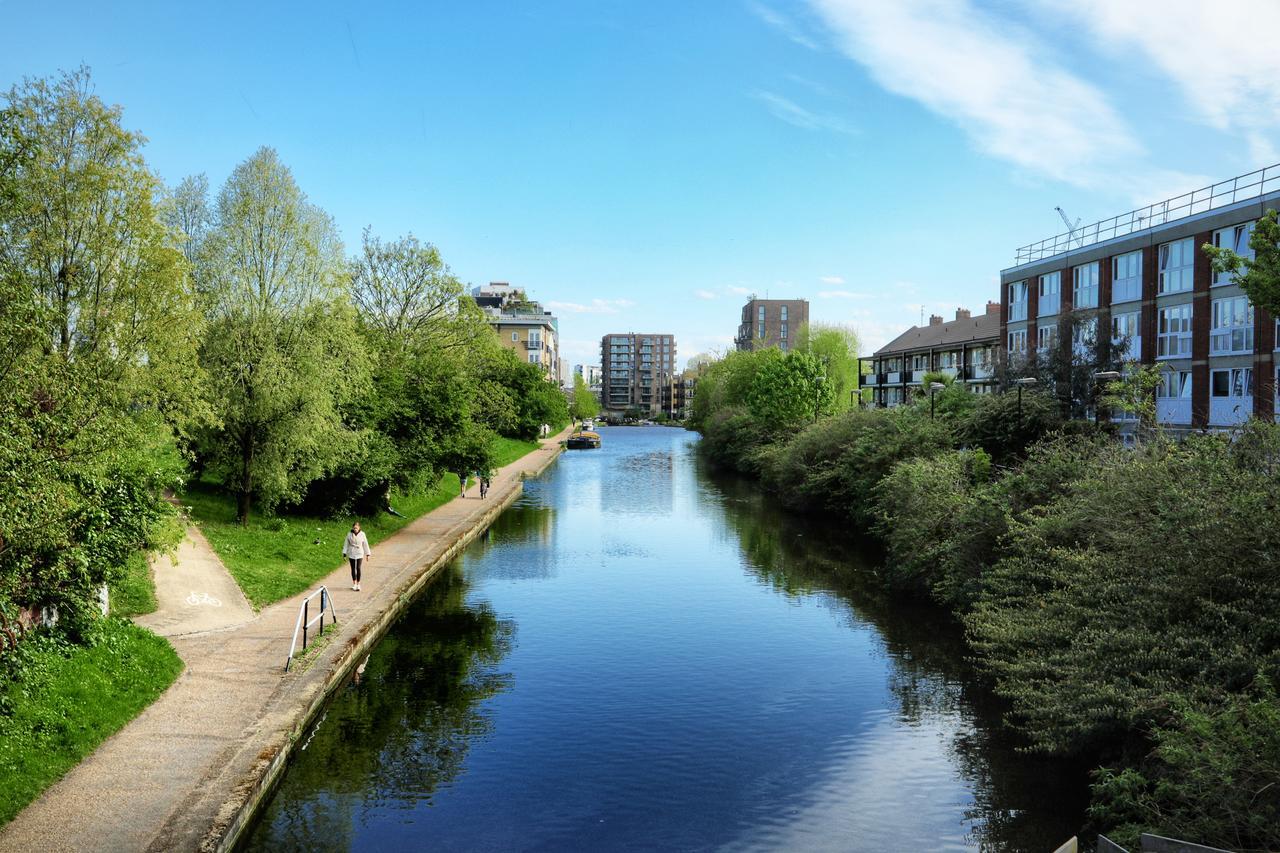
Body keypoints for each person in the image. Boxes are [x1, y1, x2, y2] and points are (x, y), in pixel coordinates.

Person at [343, 521, 371, 591]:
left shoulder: (362, 534)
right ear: (352, 528)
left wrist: (368, 554)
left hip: (359, 552)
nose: (355, 529)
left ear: (359, 528)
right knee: (353, 568)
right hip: (352, 552)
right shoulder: (349, 534)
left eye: (356, 528)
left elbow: (365, 544)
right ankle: (354, 584)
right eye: (354, 528)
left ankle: (358, 584)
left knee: (358, 568)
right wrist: (344, 554)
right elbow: (346, 544)